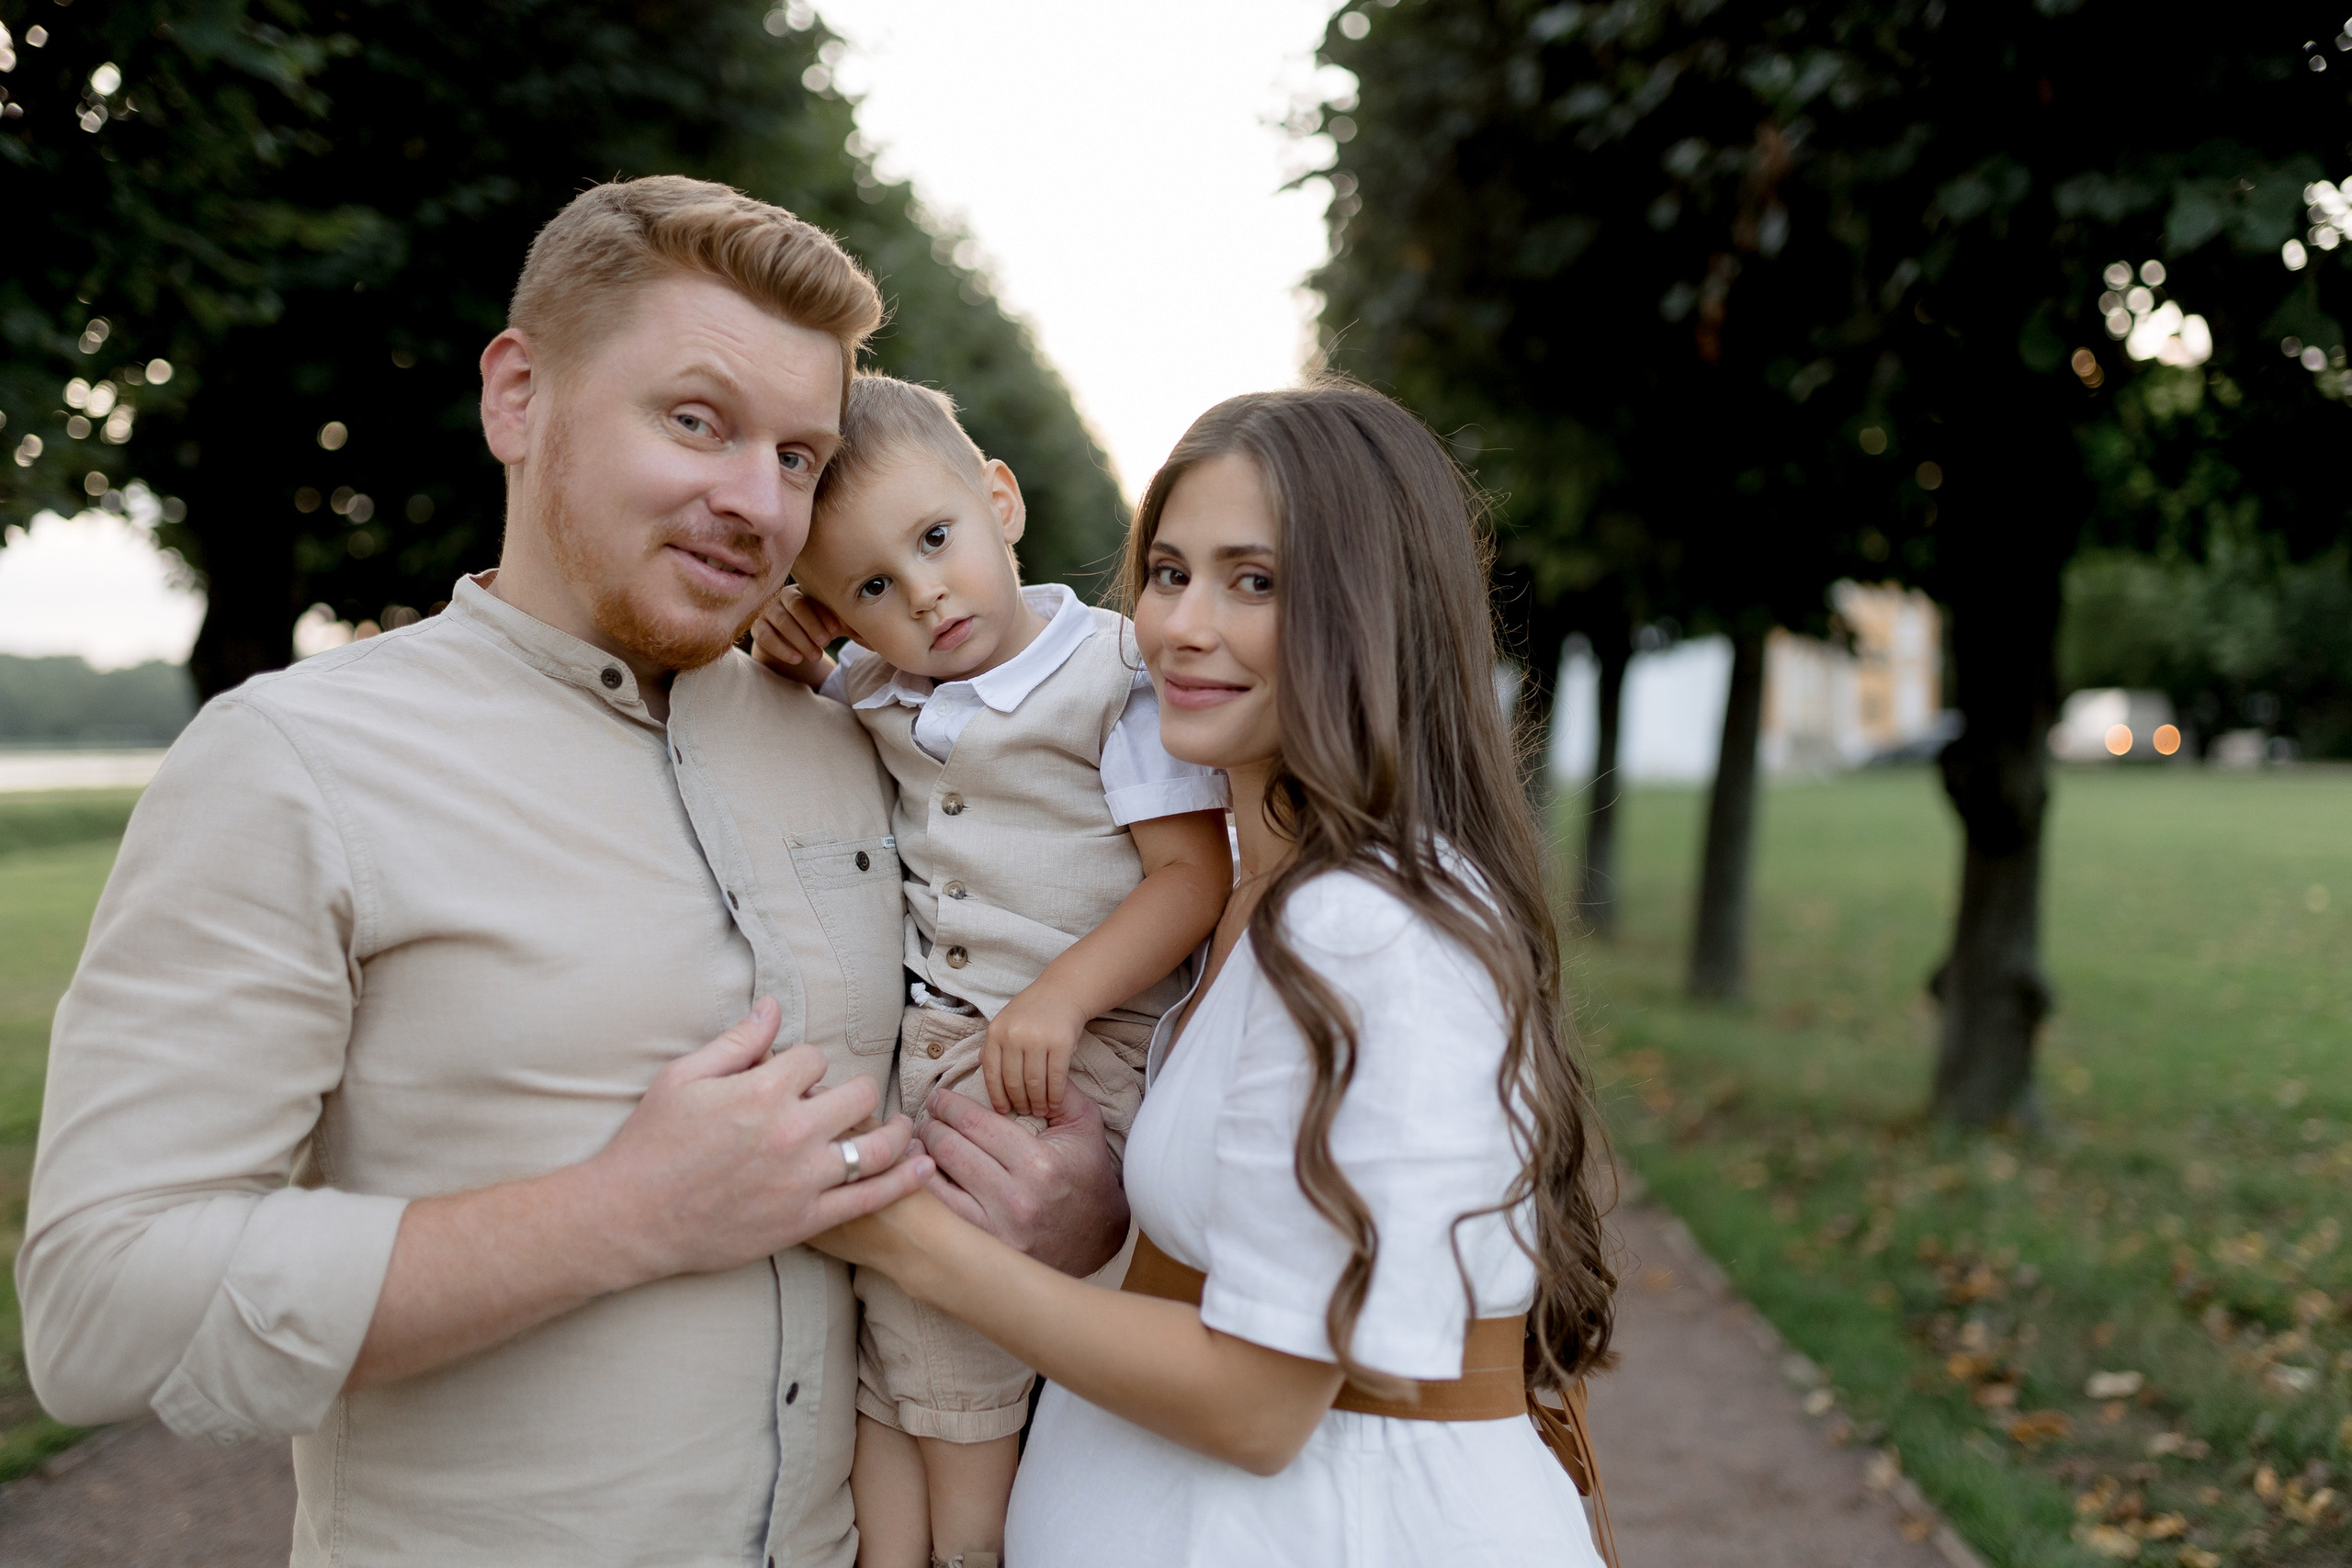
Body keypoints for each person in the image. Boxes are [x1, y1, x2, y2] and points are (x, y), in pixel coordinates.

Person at [15, 175, 1126, 1568]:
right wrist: (622, 1215)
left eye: (797, 456)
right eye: (697, 423)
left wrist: (1087, 1209)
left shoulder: (861, 734)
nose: (755, 502)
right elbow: (98, 1312)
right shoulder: (291, 764)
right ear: (518, 397)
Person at [812, 379, 1622, 1565]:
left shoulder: (1370, 928)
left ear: (1371, 612)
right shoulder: (1241, 894)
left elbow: (1258, 1402)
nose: (1182, 625)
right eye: (1169, 572)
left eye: (1255, 581)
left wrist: (903, 1241)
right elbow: (1251, 1248)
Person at [752, 373, 1230, 1568]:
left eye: (933, 540)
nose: (922, 594)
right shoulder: (872, 684)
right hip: (936, 1053)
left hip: (1069, 1053)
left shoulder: (1112, 678)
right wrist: (780, 629)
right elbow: (784, 665)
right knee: (880, 1351)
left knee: (958, 1350)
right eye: (870, 586)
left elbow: (1191, 876)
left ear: (999, 502)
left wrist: (1060, 995)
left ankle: (970, 1546)